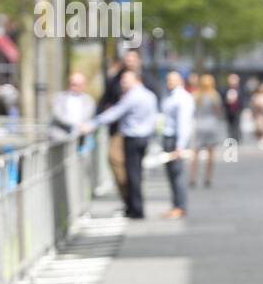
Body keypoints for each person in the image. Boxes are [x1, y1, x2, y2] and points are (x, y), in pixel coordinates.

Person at [88, 69, 157, 219]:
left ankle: (136, 209)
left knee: (132, 174)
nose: (122, 84)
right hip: (143, 138)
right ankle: (135, 207)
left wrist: (93, 123)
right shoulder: (150, 96)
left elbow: (115, 112)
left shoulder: (132, 96)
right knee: (136, 173)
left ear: (136, 79)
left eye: (125, 81)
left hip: (132, 138)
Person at [160, 71, 195, 218]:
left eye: (173, 79)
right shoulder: (169, 96)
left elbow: (183, 123)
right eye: (168, 79)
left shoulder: (182, 98)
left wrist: (180, 145)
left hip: (175, 139)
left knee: (177, 174)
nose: (170, 82)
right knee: (171, 174)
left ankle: (180, 206)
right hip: (168, 137)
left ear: (180, 81)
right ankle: (175, 205)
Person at [190, 73, 226, 188]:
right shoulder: (214, 96)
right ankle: (208, 178)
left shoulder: (195, 95)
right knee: (210, 153)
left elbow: (192, 112)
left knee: (195, 153)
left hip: (198, 124)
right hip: (211, 124)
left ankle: (193, 177)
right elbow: (218, 112)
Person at [49, 72, 96, 141]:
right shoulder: (59, 97)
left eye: (79, 85)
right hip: (60, 136)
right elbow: (57, 115)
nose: (76, 87)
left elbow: (89, 118)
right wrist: (76, 124)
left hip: (80, 137)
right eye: (74, 84)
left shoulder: (88, 100)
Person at [223, 72, 244, 143]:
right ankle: (231, 138)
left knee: (237, 124)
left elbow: (243, 100)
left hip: (237, 110)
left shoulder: (240, 89)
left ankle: (237, 138)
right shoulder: (226, 90)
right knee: (230, 125)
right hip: (228, 110)